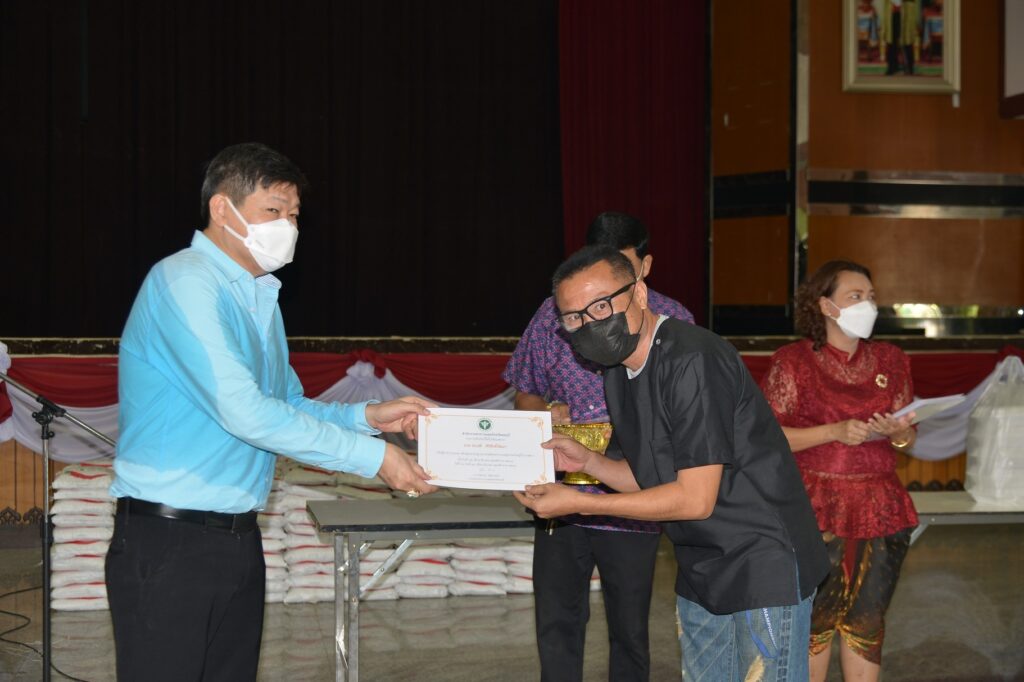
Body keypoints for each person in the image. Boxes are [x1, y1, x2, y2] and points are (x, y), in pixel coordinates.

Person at [106, 142, 436, 681]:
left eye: (294, 215)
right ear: (222, 209)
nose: (288, 227)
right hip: (169, 541)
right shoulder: (185, 282)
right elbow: (246, 413)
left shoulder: (261, 297)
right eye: (273, 211)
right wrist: (375, 459)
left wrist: (369, 418)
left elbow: (285, 407)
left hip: (238, 538)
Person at [514, 246, 829, 682]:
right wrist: (589, 462)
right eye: (574, 318)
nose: (590, 324)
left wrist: (580, 504)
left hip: (760, 562)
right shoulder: (618, 371)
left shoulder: (692, 359)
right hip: (700, 563)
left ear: (640, 293)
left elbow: (695, 499)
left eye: (601, 306)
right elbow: (649, 477)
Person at [503, 212, 694, 682]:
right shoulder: (553, 315)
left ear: (644, 269)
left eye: (620, 272)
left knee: (629, 629)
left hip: (633, 502)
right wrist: (544, 412)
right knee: (557, 624)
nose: (598, 301)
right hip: (560, 496)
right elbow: (525, 392)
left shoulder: (674, 322)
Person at [759, 260, 918, 682]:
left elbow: (908, 439)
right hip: (814, 507)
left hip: (881, 507)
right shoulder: (793, 362)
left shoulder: (891, 360)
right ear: (826, 306)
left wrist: (899, 434)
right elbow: (765, 437)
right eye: (855, 296)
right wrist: (833, 432)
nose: (868, 305)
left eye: (871, 297)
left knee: (869, 620)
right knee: (815, 621)